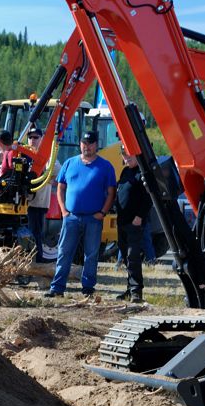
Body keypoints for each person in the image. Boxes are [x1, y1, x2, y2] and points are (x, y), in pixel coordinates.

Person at [44, 130, 116, 298]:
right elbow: (60, 188)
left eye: (90, 144)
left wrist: (103, 212)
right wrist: (63, 210)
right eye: (84, 143)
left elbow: (111, 192)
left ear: (96, 145)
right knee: (64, 252)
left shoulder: (105, 166)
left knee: (91, 254)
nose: (87, 147)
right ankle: (57, 287)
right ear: (80, 144)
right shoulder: (69, 163)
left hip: (94, 218)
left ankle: (88, 288)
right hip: (71, 217)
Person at [114, 148, 152, 303]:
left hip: (134, 222)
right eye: (124, 154)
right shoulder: (125, 171)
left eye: (129, 154)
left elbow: (149, 197)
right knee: (126, 257)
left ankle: (136, 291)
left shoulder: (143, 173)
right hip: (122, 221)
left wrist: (140, 216)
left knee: (133, 256)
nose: (126, 157)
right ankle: (130, 289)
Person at [25, 126, 60, 262]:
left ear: (42, 139)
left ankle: (37, 261)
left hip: (37, 202)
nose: (32, 140)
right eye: (30, 137)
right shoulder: (24, 154)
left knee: (35, 233)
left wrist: (47, 176)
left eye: (36, 137)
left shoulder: (47, 156)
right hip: (22, 202)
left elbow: (57, 170)